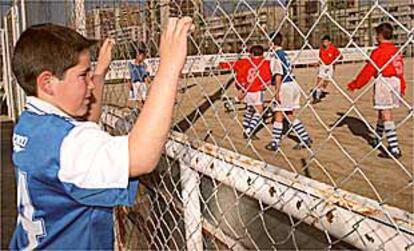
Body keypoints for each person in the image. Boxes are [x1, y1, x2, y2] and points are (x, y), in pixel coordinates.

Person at [10, 17, 193, 249]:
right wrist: (169, 65)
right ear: (47, 83)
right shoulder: (66, 145)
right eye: (83, 75)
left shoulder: (32, 124)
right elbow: (140, 157)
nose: (90, 85)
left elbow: (84, 125)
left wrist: (100, 72)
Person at [347, 22, 405, 159]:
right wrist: (402, 86)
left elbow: (368, 70)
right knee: (382, 110)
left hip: (384, 81)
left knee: (386, 112)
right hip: (396, 81)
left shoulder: (378, 51)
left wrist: (356, 84)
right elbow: (400, 69)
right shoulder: (396, 50)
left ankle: (394, 147)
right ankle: (377, 138)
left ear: (379, 35)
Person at [266, 32, 312, 151]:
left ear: (271, 42)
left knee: (279, 114)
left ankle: (276, 142)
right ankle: (304, 137)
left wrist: (277, 91)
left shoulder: (276, 56)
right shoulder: (284, 54)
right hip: (293, 84)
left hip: (284, 86)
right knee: (286, 113)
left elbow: (278, 74)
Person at [233, 45, 272, 138]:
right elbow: (269, 77)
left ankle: (246, 127)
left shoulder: (246, 61)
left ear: (252, 53)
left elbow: (235, 66)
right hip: (257, 90)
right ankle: (249, 130)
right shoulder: (264, 63)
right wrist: (266, 84)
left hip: (247, 90)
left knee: (250, 110)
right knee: (259, 110)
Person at [312, 35, 342, 103]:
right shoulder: (321, 49)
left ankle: (320, 92)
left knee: (326, 82)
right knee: (319, 80)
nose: (324, 43)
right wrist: (317, 63)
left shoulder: (333, 49)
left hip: (330, 67)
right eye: (323, 42)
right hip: (323, 66)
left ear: (329, 42)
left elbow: (340, 56)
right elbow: (320, 59)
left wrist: (336, 60)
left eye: (326, 41)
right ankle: (316, 97)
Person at [127, 45, 150, 109]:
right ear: (138, 55)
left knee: (143, 99)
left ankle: (143, 110)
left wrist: (147, 83)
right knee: (138, 100)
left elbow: (146, 76)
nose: (144, 58)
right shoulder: (131, 64)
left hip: (142, 83)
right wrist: (129, 84)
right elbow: (128, 76)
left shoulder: (144, 65)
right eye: (142, 56)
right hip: (134, 83)